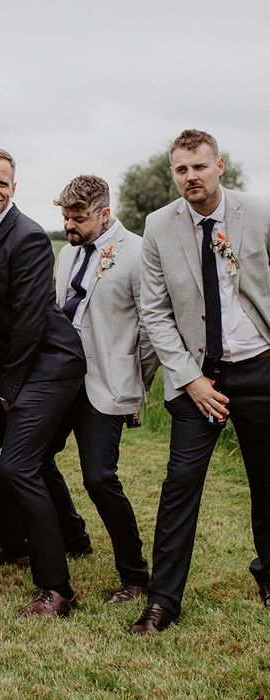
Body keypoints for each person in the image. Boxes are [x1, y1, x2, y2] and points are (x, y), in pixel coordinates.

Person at [131, 129, 270, 635]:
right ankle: (163, 601)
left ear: (220, 166)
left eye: (199, 167)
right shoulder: (158, 226)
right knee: (179, 487)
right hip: (198, 376)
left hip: (260, 366)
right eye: (181, 169)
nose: (190, 177)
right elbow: (154, 310)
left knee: (266, 481)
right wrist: (190, 380)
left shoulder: (258, 213)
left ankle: (269, 576)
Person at [0, 148, 87, 617]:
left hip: (52, 363)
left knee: (18, 466)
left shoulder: (30, 237)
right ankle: (16, 543)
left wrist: (6, 387)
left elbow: (26, 322)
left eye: (1, 183)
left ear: (13, 188)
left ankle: (57, 590)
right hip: (12, 365)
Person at [50, 175, 158, 603]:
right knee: (29, 461)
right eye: (64, 217)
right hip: (60, 380)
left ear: (105, 213)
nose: (69, 226)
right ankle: (74, 535)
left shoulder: (136, 252)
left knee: (99, 477)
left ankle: (135, 576)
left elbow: (150, 328)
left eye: (77, 218)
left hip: (107, 383)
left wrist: (135, 385)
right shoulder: (66, 254)